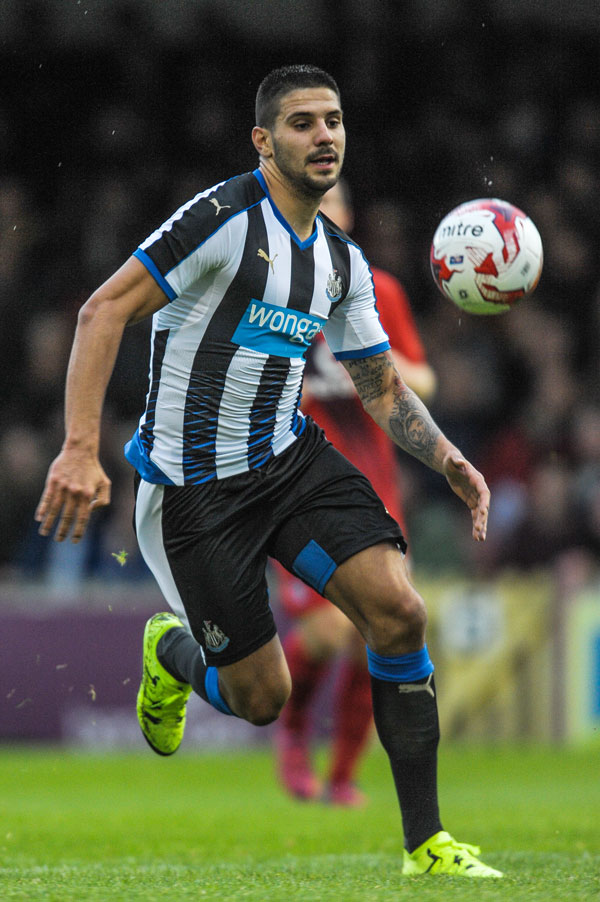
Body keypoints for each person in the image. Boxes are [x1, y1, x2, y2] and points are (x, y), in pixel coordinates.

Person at [35, 64, 502, 879]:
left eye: (333, 121)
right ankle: (173, 654)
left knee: (398, 612)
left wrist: (450, 456)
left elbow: (380, 388)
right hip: (194, 491)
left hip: (288, 462)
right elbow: (100, 311)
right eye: (302, 123)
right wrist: (80, 448)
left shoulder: (341, 262)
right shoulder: (220, 219)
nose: (324, 136)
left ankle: (427, 844)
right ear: (264, 140)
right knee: (262, 699)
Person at [274, 179, 437, 807]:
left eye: (333, 205)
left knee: (386, 626)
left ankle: (342, 774)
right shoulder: (274, 292)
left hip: (375, 487)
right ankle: (292, 737)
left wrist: (372, 362)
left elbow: (424, 379)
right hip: (295, 481)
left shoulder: (379, 291)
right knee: (329, 632)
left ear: (345, 217)